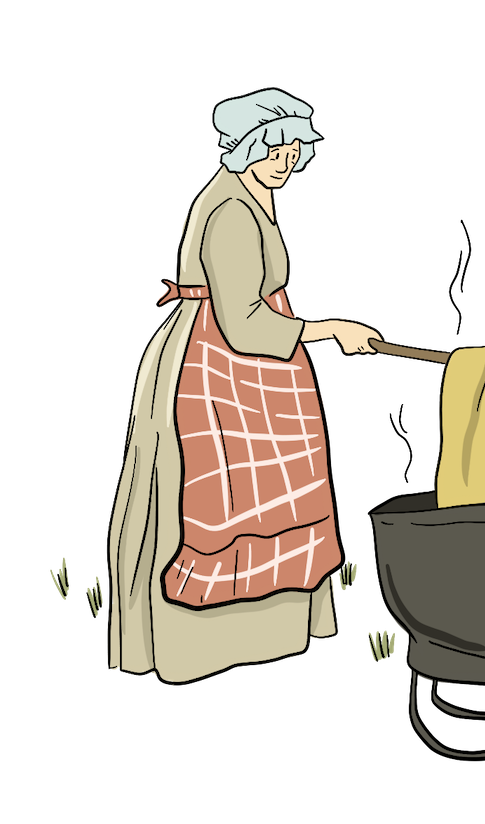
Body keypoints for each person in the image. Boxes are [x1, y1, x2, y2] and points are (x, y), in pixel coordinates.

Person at [109, 89, 381, 682]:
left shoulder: (251, 198)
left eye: (295, 146)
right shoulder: (231, 209)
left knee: (266, 497)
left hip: (250, 369)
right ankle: (195, 650)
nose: (286, 157)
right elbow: (243, 322)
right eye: (273, 144)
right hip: (214, 367)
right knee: (218, 497)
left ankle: (257, 639)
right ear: (247, 146)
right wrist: (330, 330)